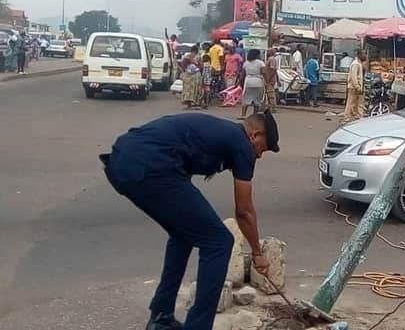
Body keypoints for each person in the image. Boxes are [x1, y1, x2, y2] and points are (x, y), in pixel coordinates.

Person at [100, 112, 279, 330]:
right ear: (254, 135)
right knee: (219, 242)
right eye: (263, 147)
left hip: (125, 160)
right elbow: (244, 211)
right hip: (150, 166)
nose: (260, 155)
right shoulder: (241, 143)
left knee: (183, 234)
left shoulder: (220, 133)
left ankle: (161, 316)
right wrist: (257, 253)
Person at [241, 49, 266, 118]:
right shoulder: (261, 63)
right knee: (257, 100)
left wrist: (240, 83)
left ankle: (243, 115)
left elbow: (242, 75)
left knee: (246, 99)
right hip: (258, 82)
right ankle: (255, 115)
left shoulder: (246, 63)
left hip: (248, 82)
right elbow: (264, 73)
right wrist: (266, 81)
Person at [343, 49, 366, 123]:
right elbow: (354, 77)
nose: (365, 55)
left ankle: (359, 117)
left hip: (358, 87)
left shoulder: (359, 63)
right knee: (350, 103)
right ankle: (346, 118)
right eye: (363, 54)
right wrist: (357, 86)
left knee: (359, 103)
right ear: (359, 55)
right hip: (354, 87)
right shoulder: (355, 64)